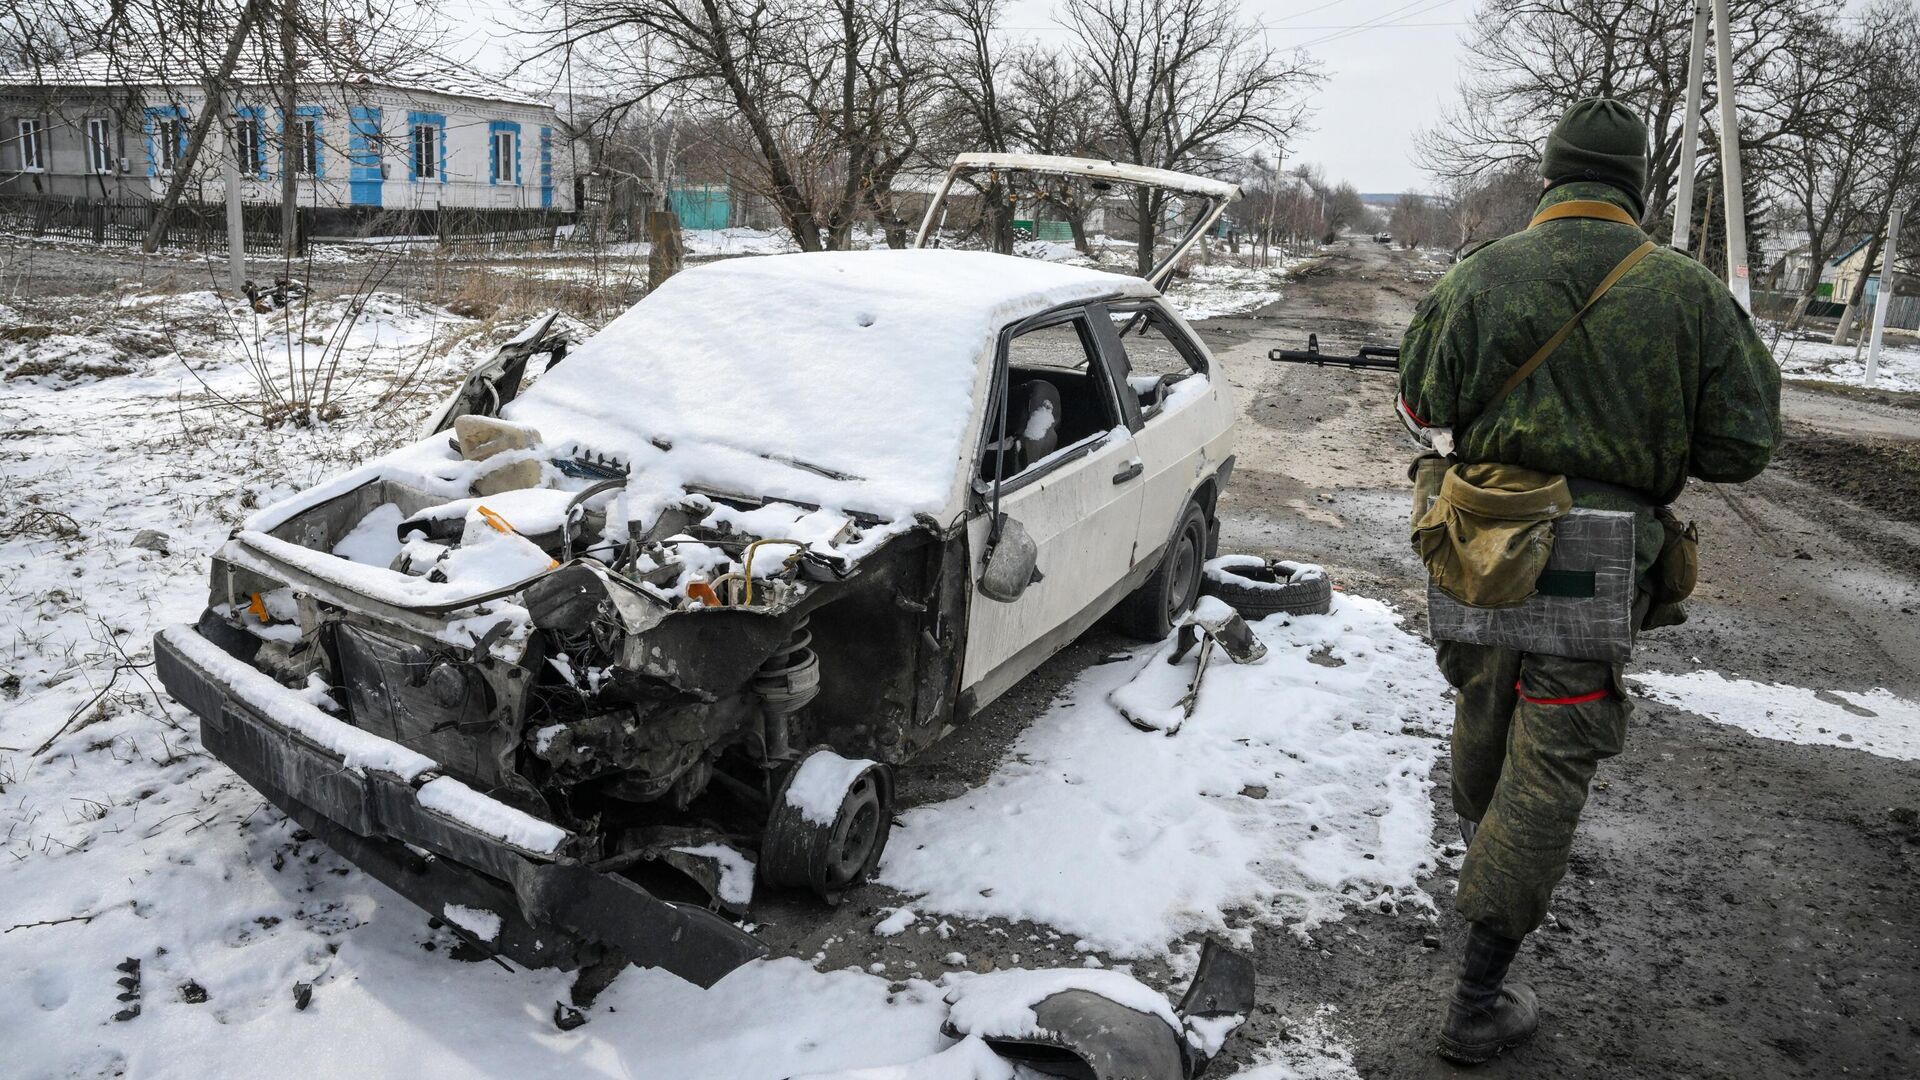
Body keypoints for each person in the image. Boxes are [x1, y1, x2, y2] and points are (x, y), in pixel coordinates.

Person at [1396, 97, 1781, 1065]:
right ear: (1636, 182)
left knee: (1484, 713)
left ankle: (1486, 863)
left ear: (1551, 172)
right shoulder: (1687, 293)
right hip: (1595, 559)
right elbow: (1742, 447)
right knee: (1553, 757)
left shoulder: (1480, 271)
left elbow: (1419, 403)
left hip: (1480, 542)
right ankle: (1476, 1001)